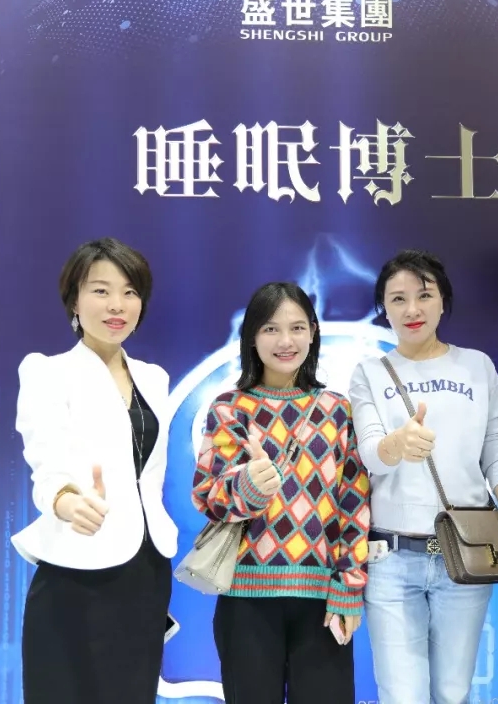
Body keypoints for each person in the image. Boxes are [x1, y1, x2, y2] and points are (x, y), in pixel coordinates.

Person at [348, 250, 498, 704]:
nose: (412, 309)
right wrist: (398, 444)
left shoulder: (476, 366)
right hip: (391, 560)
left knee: (453, 692)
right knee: (403, 696)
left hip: (465, 556)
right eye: (398, 298)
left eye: (424, 295)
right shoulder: (369, 373)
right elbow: (370, 452)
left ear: (442, 301)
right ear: (384, 308)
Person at [10, 237, 179, 704]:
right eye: (101, 291)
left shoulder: (154, 378)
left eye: (130, 292)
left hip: (146, 566)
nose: (116, 305)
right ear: (74, 300)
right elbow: (45, 461)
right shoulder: (47, 372)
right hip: (78, 565)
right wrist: (65, 501)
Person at [191, 282, 369, 704]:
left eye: (297, 328)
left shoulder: (337, 410)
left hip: (322, 599)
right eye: (271, 329)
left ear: (313, 333)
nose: (285, 341)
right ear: (252, 337)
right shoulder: (229, 408)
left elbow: (354, 502)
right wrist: (250, 486)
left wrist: (349, 586)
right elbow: (208, 498)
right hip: (246, 601)